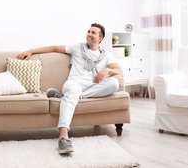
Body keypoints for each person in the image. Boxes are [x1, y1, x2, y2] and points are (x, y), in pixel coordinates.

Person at [17, 23, 123, 154]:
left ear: (100, 38)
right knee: (72, 92)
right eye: (88, 31)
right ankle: (63, 137)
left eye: (93, 33)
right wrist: (31, 50)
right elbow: (55, 48)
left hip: (94, 86)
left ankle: (66, 97)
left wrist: (107, 70)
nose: (89, 34)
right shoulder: (77, 47)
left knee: (114, 83)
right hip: (75, 83)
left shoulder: (106, 54)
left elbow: (119, 71)